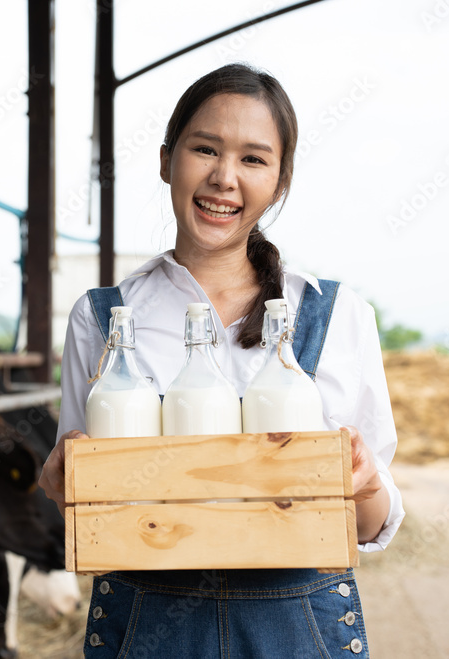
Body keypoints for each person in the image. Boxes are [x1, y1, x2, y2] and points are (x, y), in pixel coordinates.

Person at [38, 63, 405, 658]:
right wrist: (63, 488)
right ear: (166, 161)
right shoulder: (103, 318)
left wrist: (362, 486)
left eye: (254, 159)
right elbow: (92, 512)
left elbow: (371, 525)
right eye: (204, 149)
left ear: (281, 181)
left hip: (297, 626)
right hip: (147, 620)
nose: (224, 178)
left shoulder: (335, 315)